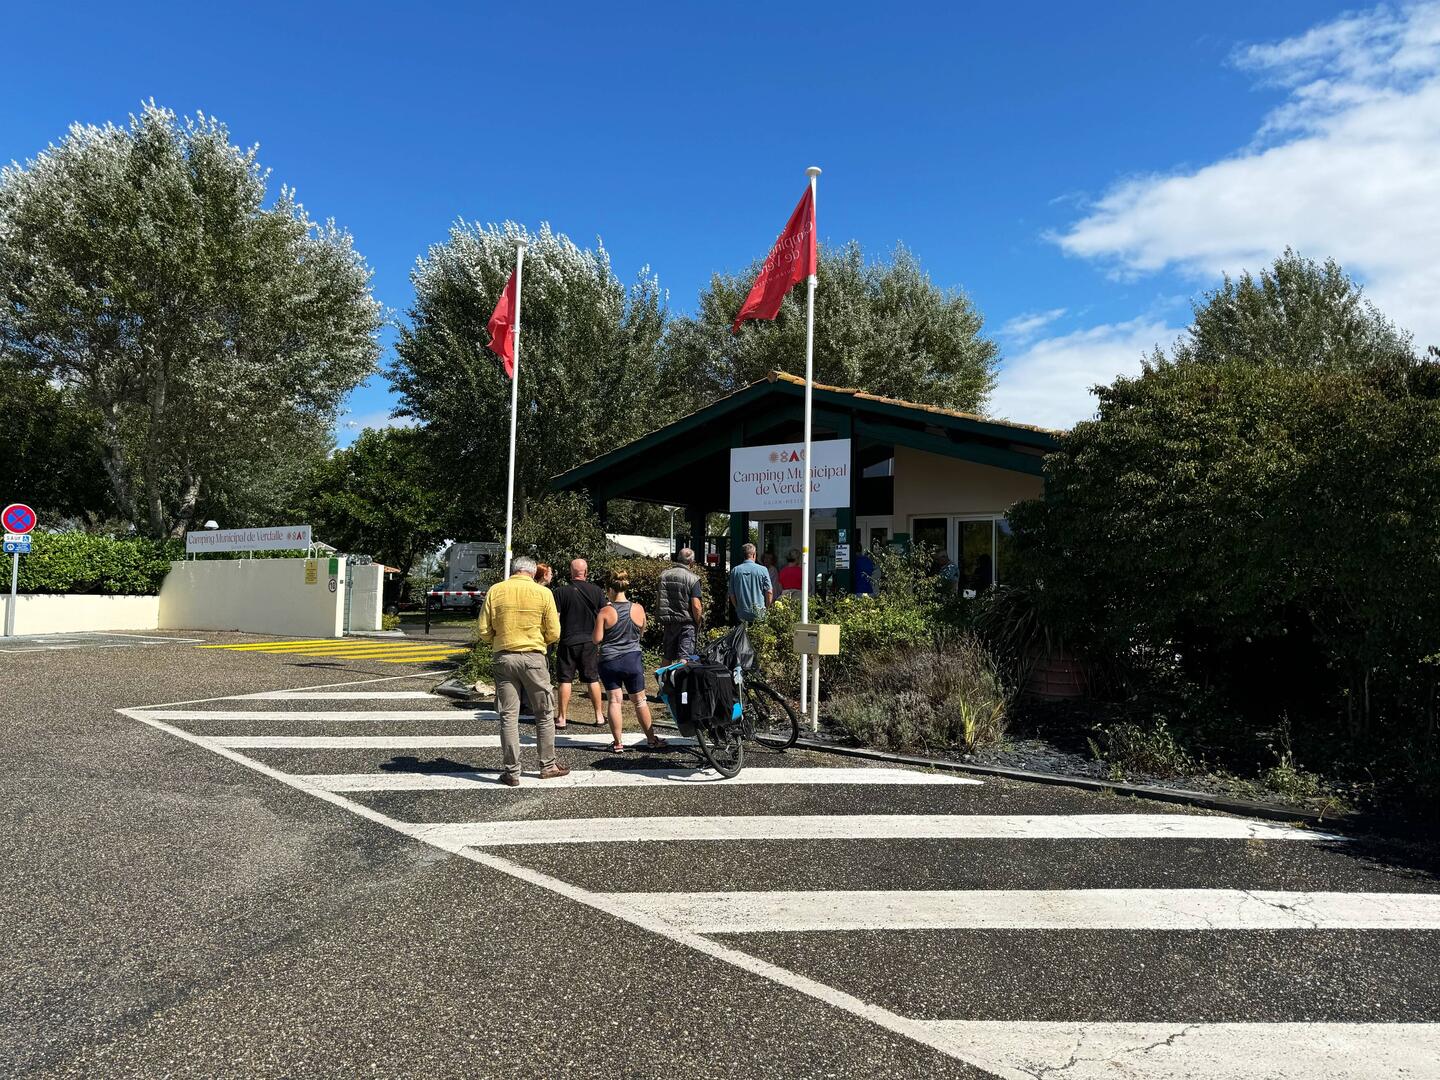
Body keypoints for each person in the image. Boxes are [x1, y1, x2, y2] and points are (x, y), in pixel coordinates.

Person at [477, 555, 568, 786]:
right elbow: (554, 632)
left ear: (514, 570)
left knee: (508, 716)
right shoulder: (543, 593)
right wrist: (539, 641)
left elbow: (484, 630)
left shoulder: (496, 590)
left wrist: (498, 640)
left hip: (504, 656)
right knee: (544, 714)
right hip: (534, 657)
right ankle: (547, 765)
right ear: (532, 572)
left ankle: (512, 771)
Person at [593, 571, 670, 753]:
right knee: (640, 701)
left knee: (614, 700)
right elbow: (642, 631)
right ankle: (651, 739)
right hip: (632, 659)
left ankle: (618, 742)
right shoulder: (638, 609)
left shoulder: (605, 611)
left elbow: (597, 639)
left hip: (609, 660)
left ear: (610, 589)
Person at [552, 558, 607, 730]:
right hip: (589, 641)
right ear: (586, 572)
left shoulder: (560, 592)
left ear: (571, 572)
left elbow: (556, 618)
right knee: (592, 679)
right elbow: (604, 614)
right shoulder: (596, 591)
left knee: (565, 680)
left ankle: (562, 718)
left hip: (568, 640)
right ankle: (599, 716)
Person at [657, 547, 704, 662]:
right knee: (684, 659)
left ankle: (663, 674)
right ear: (691, 562)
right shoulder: (693, 579)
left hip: (669, 622)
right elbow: (696, 606)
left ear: (678, 558)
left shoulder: (663, 576)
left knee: (667, 657)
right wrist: (698, 622)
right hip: (686, 624)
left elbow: (659, 598)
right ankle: (681, 675)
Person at [727, 542, 773, 623]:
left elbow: (731, 593)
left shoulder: (735, 570)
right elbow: (769, 592)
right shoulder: (763, 570)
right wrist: (767, 608)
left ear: (743, 555)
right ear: (754, 555)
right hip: (759, 613)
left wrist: (737, 608)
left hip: (742, 613)